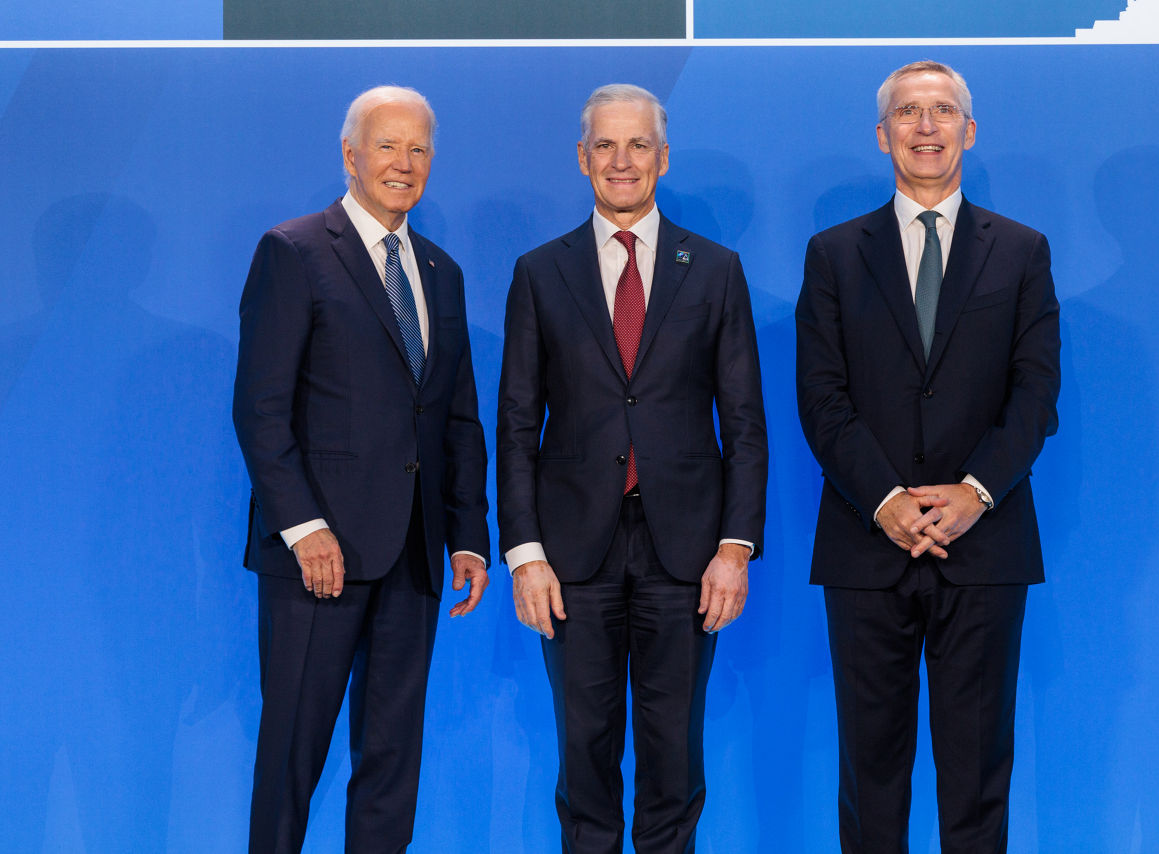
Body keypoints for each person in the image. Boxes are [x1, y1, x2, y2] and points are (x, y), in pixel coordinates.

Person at [795, 60, 1060, 853]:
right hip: (865, 545)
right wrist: (886, 500)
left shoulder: (1022, 251)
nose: (925, 125)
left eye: (942, 110)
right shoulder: (834, 254)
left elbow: (1035, 396)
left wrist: (975, 493)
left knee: (977, 779)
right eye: (908, 111)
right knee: (869, 777)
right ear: (883, 136)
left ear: (968, 132)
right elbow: (822, 398)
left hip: (985, 548)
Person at [497, 83, 768, 854]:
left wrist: (734, 547)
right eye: (606, 146)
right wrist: (524, 554)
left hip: (686, 552)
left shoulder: (714, 269)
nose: (622, 161)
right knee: (583, 755)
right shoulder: (539, 272)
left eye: (638, 145)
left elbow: (745, 423)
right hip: (570, 554)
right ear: (582, 158)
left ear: (663, 157)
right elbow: (515, 423)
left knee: (674, 756)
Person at [232, 85, 490, 854]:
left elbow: (457, 416)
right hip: (320, 558)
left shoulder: (441, 271)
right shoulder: (294, 251)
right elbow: (260, 410)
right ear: (350, 155)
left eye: (418, 149)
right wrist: (303, 528)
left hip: (414, 556)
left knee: (391, 762)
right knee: (292, 756)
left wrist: (467, 535)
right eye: (387, 146)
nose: (403, 163)